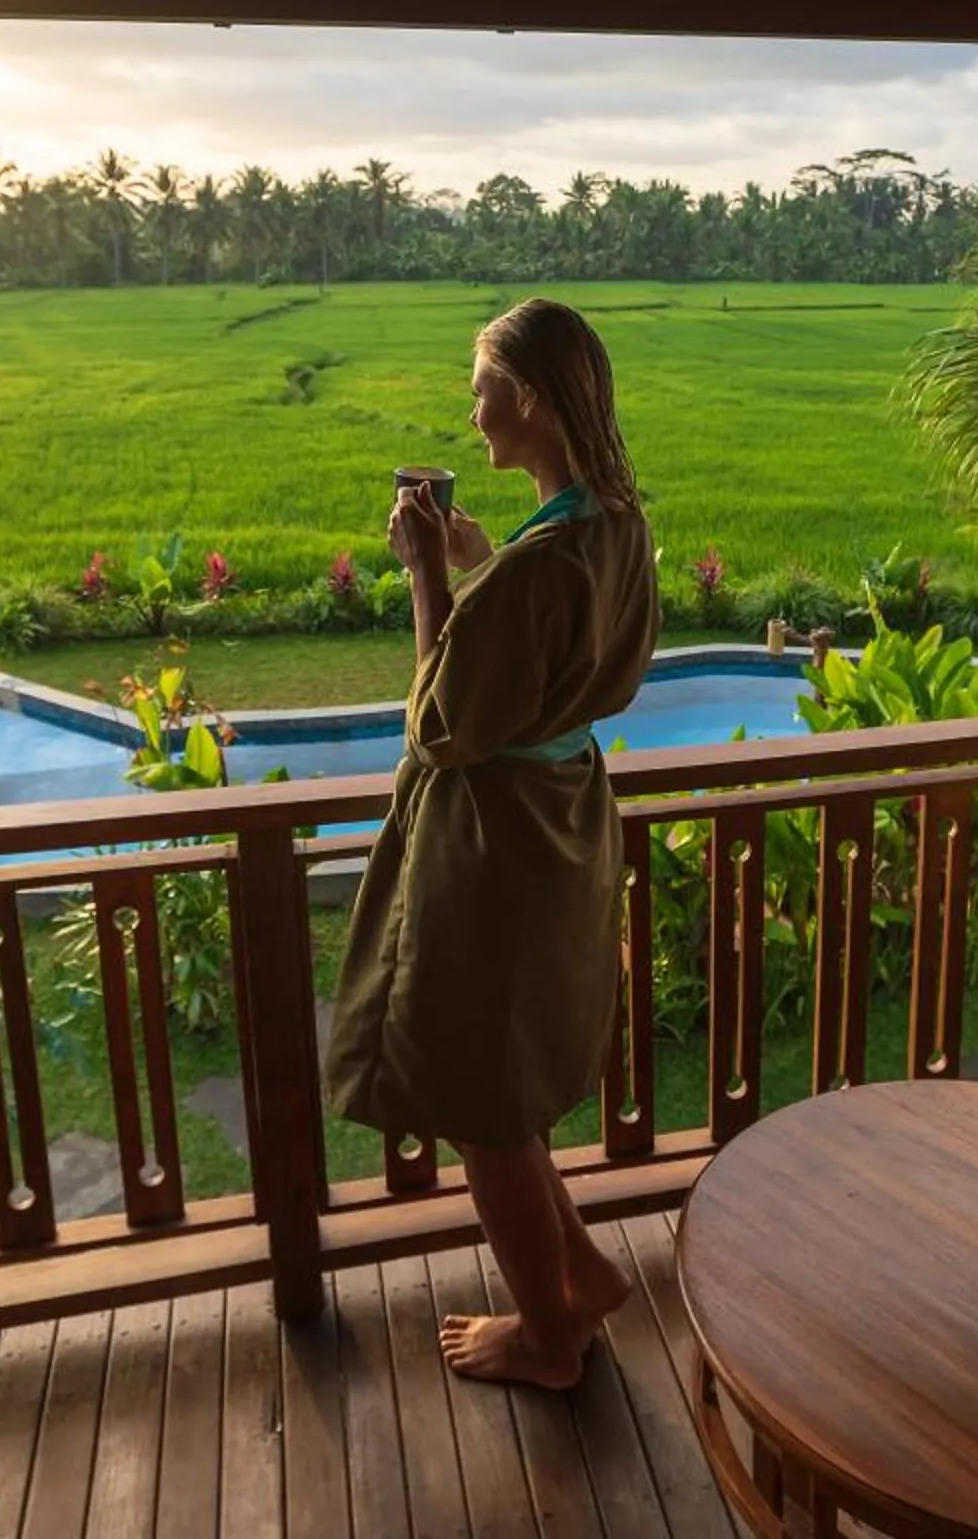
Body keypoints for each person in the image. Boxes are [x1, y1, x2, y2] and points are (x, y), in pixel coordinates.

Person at [321, 298, 660, 1389]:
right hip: (563, 817)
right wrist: (483, 563)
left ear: (527, 397)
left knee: (482, 1104)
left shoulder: (534, 568)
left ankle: (548, 1335)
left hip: (496, 848)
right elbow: (534, 660)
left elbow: (440, 723)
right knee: (510, 1085)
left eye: (480, 390)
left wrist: (429, 577)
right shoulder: (614, 523)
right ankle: (587, 1271)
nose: (471, 414)